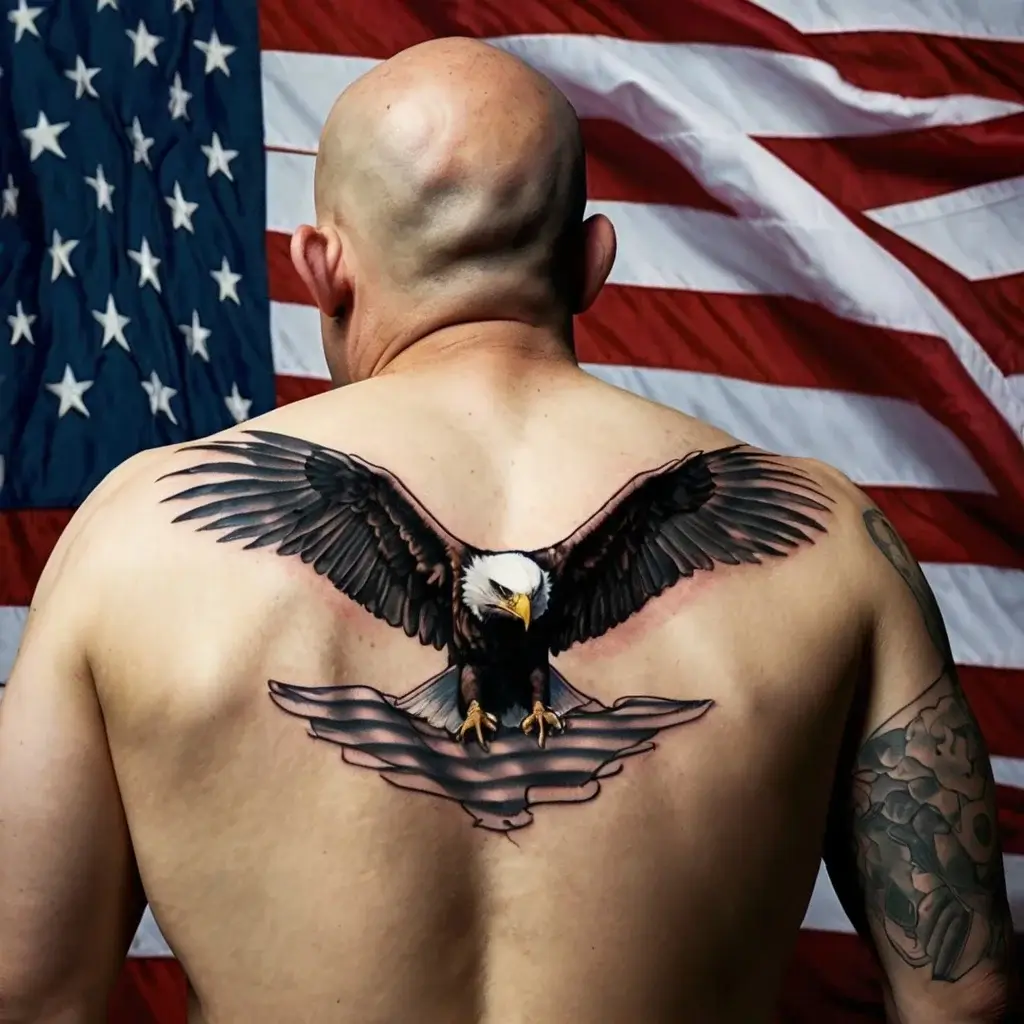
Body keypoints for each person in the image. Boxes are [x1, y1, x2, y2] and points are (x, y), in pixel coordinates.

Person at [0, 36, 1016, 1024]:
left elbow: (28, 994)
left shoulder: (139, 531)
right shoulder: (834, 543)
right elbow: (959, 990)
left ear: (320, 265)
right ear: (590, 260)